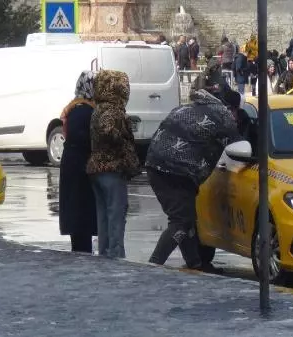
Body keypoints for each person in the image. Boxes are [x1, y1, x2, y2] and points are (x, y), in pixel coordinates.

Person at [145, 86, 244, 272]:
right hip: (176, 171)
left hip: (155, 164)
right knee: (181, 220)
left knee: (187, 218)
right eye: (238, 111)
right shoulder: (223, 117)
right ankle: (153, 264)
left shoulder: (189, 107)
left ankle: (196, 264)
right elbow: (241, 146)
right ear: (232, 108)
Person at [87, 70, 141, 259]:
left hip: (95, 167)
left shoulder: (98, 108)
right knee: (116, 213)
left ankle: (104, 252)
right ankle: (116, 255)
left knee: (103, 214)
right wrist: (123, 140)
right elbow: (108, 131)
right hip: (112, 168)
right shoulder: (113, 110)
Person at [59, 71, 98, 253]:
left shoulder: (75, 107)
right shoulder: (83, 109)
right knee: (81, 207)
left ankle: (81, 247)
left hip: (74, 162)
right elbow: (79, 136)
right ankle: (82, 250)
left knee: (78, 206)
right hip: (79, 164)